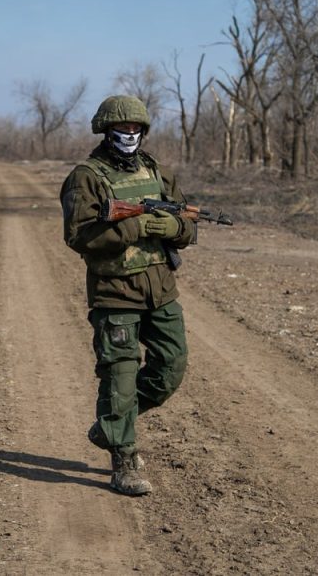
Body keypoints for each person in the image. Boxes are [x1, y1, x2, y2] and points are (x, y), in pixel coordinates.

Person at [60, 94, 196, 496]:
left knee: (171, 368)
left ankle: (112, 425)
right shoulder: (86, 176)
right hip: (114, 294)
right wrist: (136, 228)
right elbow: (78, 235)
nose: (130, 134)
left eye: (136, 128)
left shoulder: (156, 171)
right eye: (122, 128)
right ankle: (124, 460)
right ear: (105, 130)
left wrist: (170, 229)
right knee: (119, 378)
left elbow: (186, 225)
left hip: (161, 292)